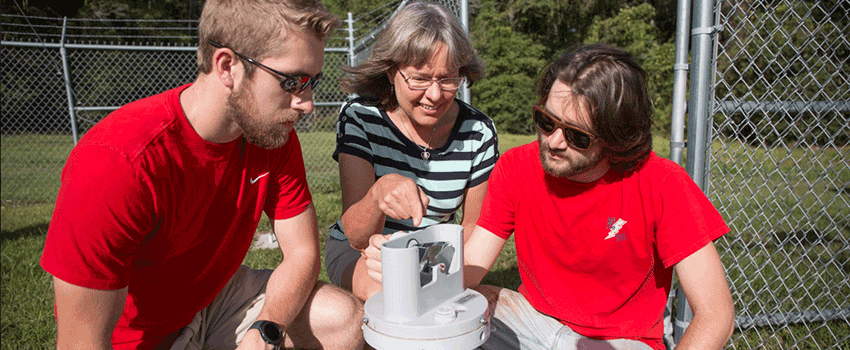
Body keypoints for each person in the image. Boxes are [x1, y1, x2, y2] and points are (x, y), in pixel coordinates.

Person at [39, 1, 365, 349]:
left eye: (312, 81)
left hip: (210, 300)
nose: (307, 102)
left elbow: (302, 254)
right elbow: (81, 342)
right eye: (293, 81)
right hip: (138, 339)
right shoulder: (118, 163)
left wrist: (266, 329)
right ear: (227, 66)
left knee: (341, 320)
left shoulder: (272, 136)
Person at [463, 44, 736, 350]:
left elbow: (716, 314)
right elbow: (472, 263)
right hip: (532, 321)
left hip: (618, 341)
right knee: (466, 309)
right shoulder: (516, 167)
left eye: (577, 136)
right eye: (546, 121)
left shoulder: (663, 184)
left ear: (615, 138)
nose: (553, 142)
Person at [324, 1, 498, 302]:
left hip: (434, 254)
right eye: (420, 78)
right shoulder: (361, 118)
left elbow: (473, 226)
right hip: (365, 251)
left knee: (433, 305)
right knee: (392, 299)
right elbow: (356, 235)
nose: (434, 94)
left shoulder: (479, 132)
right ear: (392, 72)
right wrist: (379, 195)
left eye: (447, 79)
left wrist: (436, 267)